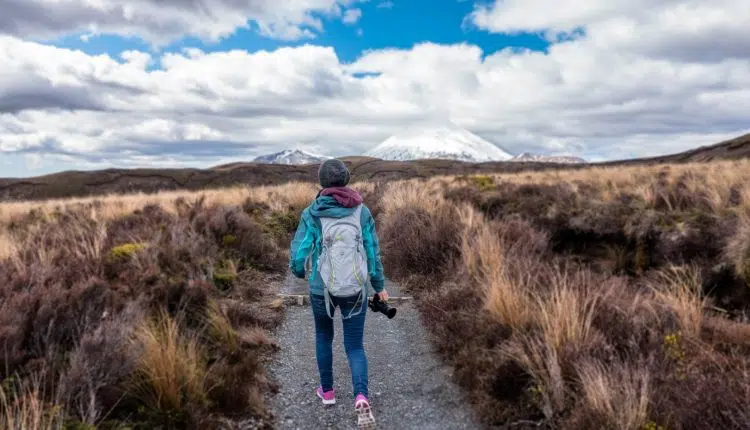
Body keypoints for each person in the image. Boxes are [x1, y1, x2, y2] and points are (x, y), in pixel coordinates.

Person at [289, 158, 387, 429]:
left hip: (322, 289)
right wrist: (379, 286)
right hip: (355, 289)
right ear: (345, 179)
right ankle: (360, 396)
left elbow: (300, 253)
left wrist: (300, 273)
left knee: (323, 336)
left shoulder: (312, 212)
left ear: (322, 182)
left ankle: (328, 392)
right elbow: (372, 253)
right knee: (355, 346)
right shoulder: (362, 211)